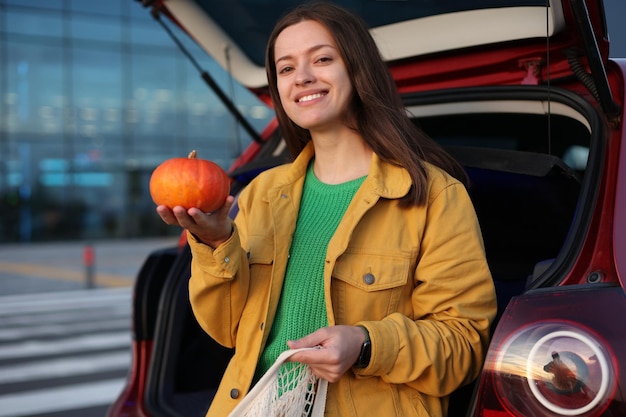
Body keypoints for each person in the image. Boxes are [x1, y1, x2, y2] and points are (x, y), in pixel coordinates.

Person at [157, 2, 497, 416]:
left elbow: (464, 346)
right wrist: (215, 242)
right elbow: (230, 332)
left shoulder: (435, 195)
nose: (302, 77)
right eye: (285, 69)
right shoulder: (261, 192)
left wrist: (366, 344)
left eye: (321, 59)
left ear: (357, 68)